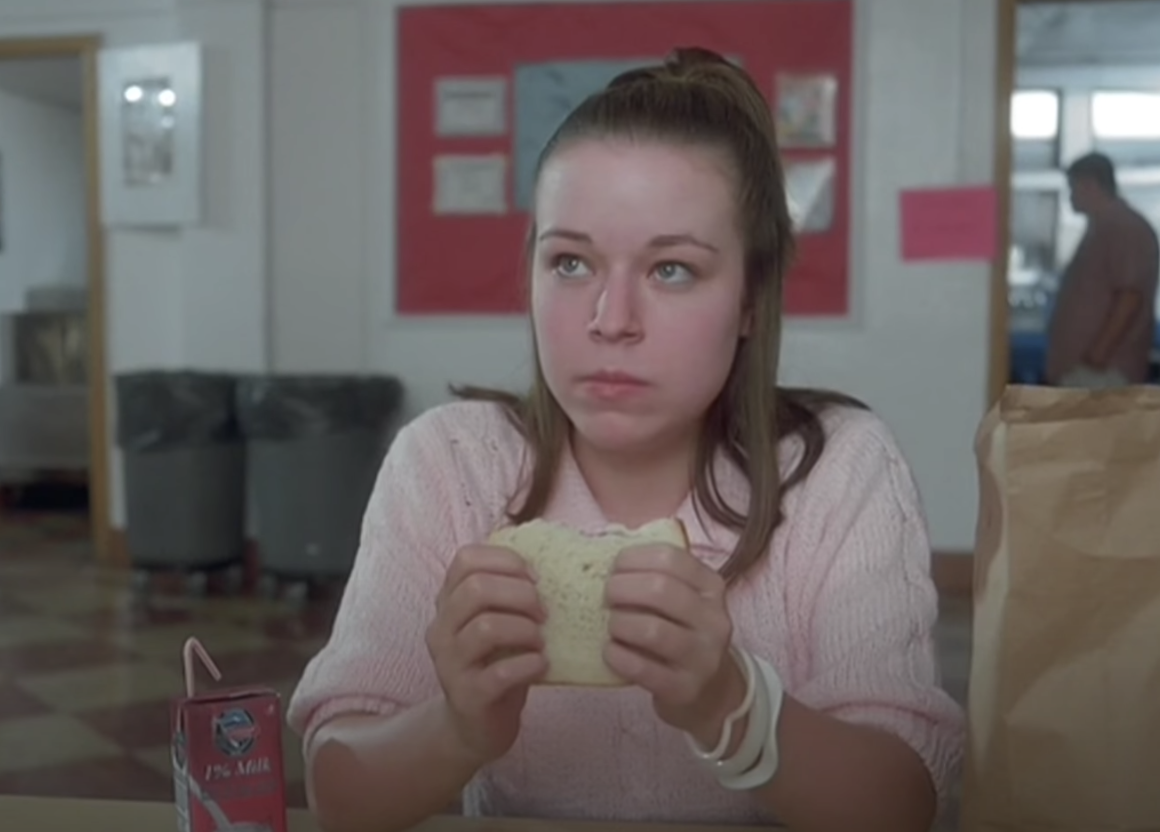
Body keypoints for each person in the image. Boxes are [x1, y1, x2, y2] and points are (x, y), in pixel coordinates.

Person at [287, 47, 964, 832]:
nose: (610, 318)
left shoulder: (840, 468)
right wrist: (458, 726)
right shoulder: (448, 465)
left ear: (751, 298)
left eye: (672, 270)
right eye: (570, 262)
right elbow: (339, 796)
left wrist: (731, 705)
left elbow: (902, 804)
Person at [1046, 152, 1160, 388]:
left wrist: (1096, 356)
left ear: (1090, 185)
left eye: (1073, 187)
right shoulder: (1101, 228)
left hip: (1102, 374)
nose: (1071, 197)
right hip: (1087, 372)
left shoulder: (1125, 228)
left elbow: (1129, 297)